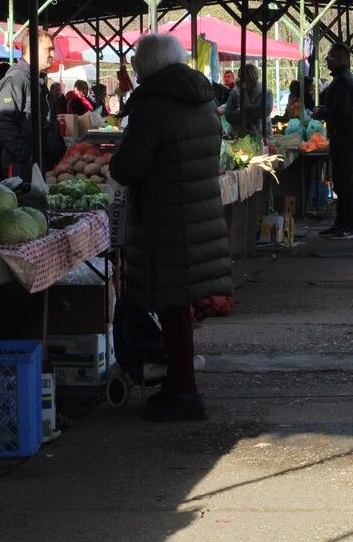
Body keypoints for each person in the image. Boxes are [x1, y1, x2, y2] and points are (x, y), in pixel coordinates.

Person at [108, 33, 231, 422]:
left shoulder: (154, 104)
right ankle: (177, 382)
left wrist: (117, 160)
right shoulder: (203, 98)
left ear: (147, 66)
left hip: (166, 218)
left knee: (172, 305)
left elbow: (130, 167)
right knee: (177, 305)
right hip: (197, 213)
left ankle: (184, 392)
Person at [0, 30, 66, 181]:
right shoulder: (17, 80)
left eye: (53, 49)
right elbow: (1, 121)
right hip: (23, 169)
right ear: (32, 50)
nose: (53, 54)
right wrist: (25, 154)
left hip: (40, 164)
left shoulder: (37, 81)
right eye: (48, 49)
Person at [314, 43, 353, 240]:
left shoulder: (342, 81)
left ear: (342, 58)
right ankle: (341, 224)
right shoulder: (344, 79)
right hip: (344, 136)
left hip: (344, 137)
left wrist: (322, 112)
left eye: (330, 57)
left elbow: (341, 112)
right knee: (342, 182)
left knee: (344, 182)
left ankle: (347, 226)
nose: (327, 60)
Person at [221, 63, 272, 136]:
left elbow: (266, 110)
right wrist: (252, 113)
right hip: (238, 136)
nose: (244, 80)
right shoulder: (235, 92)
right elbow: (229, 116)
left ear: (253, 78)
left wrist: (245, 110)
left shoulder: (266, 92)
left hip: (261, 134)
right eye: (242, 77)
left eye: (247, 77)